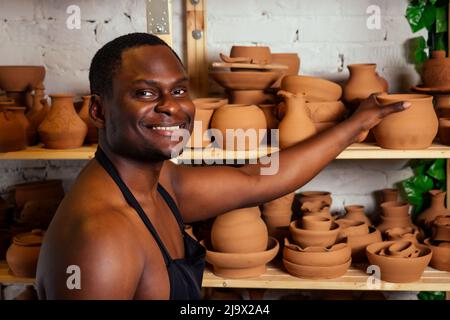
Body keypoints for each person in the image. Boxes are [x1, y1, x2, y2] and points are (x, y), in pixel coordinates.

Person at [36, 32, 410, 300]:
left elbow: (256, 179)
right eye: (146, 93)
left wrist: (355, 124)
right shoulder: (101, 239)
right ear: (99, 111)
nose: (172, 106)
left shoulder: (158, 180)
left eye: (179, 90)